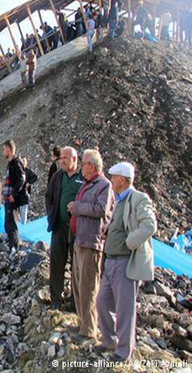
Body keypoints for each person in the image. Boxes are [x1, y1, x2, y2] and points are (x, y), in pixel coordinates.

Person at [96, 162, 157, 362]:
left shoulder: (138, 198)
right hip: (111, 261)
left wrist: (130, 241)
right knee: (102, 302)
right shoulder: (120, 200)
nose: (111, 180)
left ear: (122, 180)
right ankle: (109, 341)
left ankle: (123, 352)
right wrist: (109, 233)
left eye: (113, 177)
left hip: (125, 262)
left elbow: (149, 226)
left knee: (124, 310)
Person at [68, 149, 114, 342]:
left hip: (91, 242)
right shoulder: (87, 184)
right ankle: (81, 323)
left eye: (84, 163)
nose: (81, 167)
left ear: (92, 166)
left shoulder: (104, 185)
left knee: (88, 286)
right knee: (78, 285)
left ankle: (89, 330)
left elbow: (101, 209)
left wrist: (76, 208)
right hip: (80, 239)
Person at [45, 147, 83, 310]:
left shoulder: (83, 178)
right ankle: (55, 299)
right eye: (61, 158)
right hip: (59, 227)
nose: (62, 161)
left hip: (77, 230)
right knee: (56, 263)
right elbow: (49, 197)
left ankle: (76, 301)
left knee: (77, 265)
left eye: (66, 158)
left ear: (74, 159)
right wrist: (51, 213)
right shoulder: (57, 176)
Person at [2, 140, 26, 255]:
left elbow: (22, 178)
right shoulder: (11, 164)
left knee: (12, 224)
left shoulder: (16, 163)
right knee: (7, 224)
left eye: (4, 149)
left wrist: (14, 194)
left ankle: (14, 248)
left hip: (12, 199)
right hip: (8, 199)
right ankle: (11, 246)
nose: (3, 152)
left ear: (9, 149)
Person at [21, 157, 38, 225]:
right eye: (22, 162)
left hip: (25, 193)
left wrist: (28, 183)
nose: (23, 163)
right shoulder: (18, 171)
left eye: (24, 162)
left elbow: (35, 177)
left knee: (24, 211)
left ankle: (23, 224)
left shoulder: (28, 171)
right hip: (17, 194)